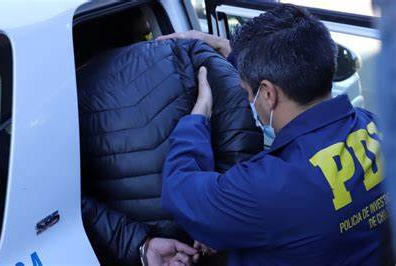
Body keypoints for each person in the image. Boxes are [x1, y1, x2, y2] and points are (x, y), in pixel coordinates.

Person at [159, 4, 392, 265]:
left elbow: (178, 188)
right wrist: (230, 50)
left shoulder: (265, 187)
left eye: (248, 92)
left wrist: (198, 115)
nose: (249, 99)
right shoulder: (375, 128)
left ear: (268, 94)